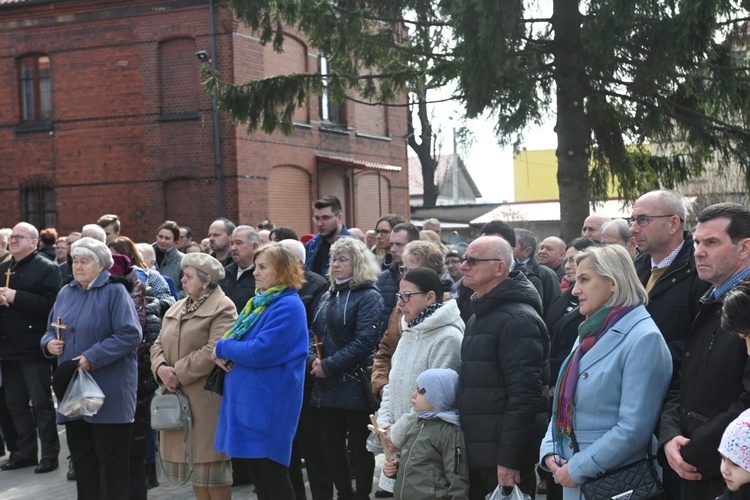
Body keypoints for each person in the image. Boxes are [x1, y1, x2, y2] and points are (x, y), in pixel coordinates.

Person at [539, 245, 672, 499]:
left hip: (617, 482)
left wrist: (578, 468)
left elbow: (633, 429)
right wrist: (550, 449)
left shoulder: (644, 338)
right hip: (575, 474)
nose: (575, 290)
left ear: (613, 283)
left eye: (585, 280)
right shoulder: (590, 331)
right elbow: (562, 407)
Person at [659, 202, 750, 500]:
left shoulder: (744, 307)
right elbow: (684, 377)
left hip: (731, 474)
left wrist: (698, 452)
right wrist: (670, 436)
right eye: (697, 242)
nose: (698, 251)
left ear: (745, 247)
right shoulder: (710, 299)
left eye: (711, 242)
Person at [41, 237, 142, 498]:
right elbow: (50, 330)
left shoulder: (115, 291)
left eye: (84, 261)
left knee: (111, 463)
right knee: (83, 460)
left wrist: (91, 357)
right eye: (75, 260)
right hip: (74, 392)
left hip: (109, 390)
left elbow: (130, 334)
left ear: (101, 265)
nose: (78, 266)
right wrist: (49, 343)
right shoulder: (66, 292)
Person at [212, 243, 308, 500]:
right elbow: (239, 341)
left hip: (268, 406)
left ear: (284, 271)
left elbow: (260, 351)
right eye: (256, 266)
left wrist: (222, 347)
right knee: (259, 476)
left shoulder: (287, 305)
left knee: (272, 476)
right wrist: (224, 349)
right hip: (251, 404)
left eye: (263, 267)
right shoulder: (261, 302)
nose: (255, 272)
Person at [456, 235, 549, 499]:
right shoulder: (480, 314)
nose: (464, 266)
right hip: (479, 452)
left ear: (499, 268)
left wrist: (509, 458)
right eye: (465, 259)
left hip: (501, 459)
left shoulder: (517, 320)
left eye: (473, 261)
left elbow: (526, 396)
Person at [151, 252, 236, 499]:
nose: (183, 280)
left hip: (206, 401)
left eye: (188, 276)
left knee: (212, 468)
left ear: (207, 280)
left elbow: (215, 349)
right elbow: (157, 343)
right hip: (178, 396)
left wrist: (176, 372)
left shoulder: (223, 307)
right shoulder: (179, 305)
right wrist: (160, 369)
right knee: (195, 470)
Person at [377, 268, 464, 495]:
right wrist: (384, 425)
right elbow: (392, 384)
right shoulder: (409, 331)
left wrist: (397, 433)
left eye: (406, 296)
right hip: (396, 442)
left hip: (426, 446)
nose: (399, 304)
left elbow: (435, 399)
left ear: (430, 297)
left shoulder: (448, 338)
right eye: (398, 296)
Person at [309, 237, 384, 500]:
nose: (336, 265)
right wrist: (313, 360)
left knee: (359, 447)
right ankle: (344, 493)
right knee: (330, 446)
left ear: (358, 263)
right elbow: (313, 331)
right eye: (334, 259)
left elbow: (365, 341)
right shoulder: (328, 293)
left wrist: (328, 366)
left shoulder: (369, 295)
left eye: (343, 259)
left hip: (353, 383)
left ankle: (361, 495)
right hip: (326, 384)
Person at [0, 223, 63, 474]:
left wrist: (15, 297)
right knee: (15, 404)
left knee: (41, 404)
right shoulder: (4, 268)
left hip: (33, 347)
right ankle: (24, 453)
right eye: (11, 237)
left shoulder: (47, 268)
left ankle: (49, 454)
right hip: (7, 348)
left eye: (19, 237)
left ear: (34, 242)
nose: (13, 241)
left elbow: (51, 305)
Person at [371, 240, 447, 402]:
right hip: (392, 399)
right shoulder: (400, 309)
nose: (404, 275)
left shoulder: (445, 313)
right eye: (403, 269)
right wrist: (382, 386)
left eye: (411, 270)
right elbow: (383, 352)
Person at [382, 368, 469, 500]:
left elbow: (457, 479)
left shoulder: (449, 432)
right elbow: (419, 467)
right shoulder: (417, 425)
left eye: (420, 391)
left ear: (438, 395)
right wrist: (396, 469)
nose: (413, 394)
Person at [377, 222, 420, 335]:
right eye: (391, 244)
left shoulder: (426, 279)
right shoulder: (381, 279)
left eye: (399, 244)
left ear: (413, 245)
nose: (393, 249)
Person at [515, 228, 561, 319]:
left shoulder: (545, 274)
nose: (542, 251)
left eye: (512, 244)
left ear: (527, 251)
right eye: (541, 248)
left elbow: (552, 310)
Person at [305, 195, 353, 277]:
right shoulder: (311, 245)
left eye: (325, 218)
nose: (320, 223)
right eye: (317, 218)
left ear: (339, 217)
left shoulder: (353, 247)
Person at [219, 226, 261, 313]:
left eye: (239, 243)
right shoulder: (224, 272)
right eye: (232, 243)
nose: (233, 248)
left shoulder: (261, 275)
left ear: (255, 247)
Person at [153, 220, 185, 290]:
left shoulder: (182, 260)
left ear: (175, 241)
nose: (163, 241)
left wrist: (174, 298)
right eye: (160, 237)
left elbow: (186, 290)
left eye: (167, 238)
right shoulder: (145, 255)